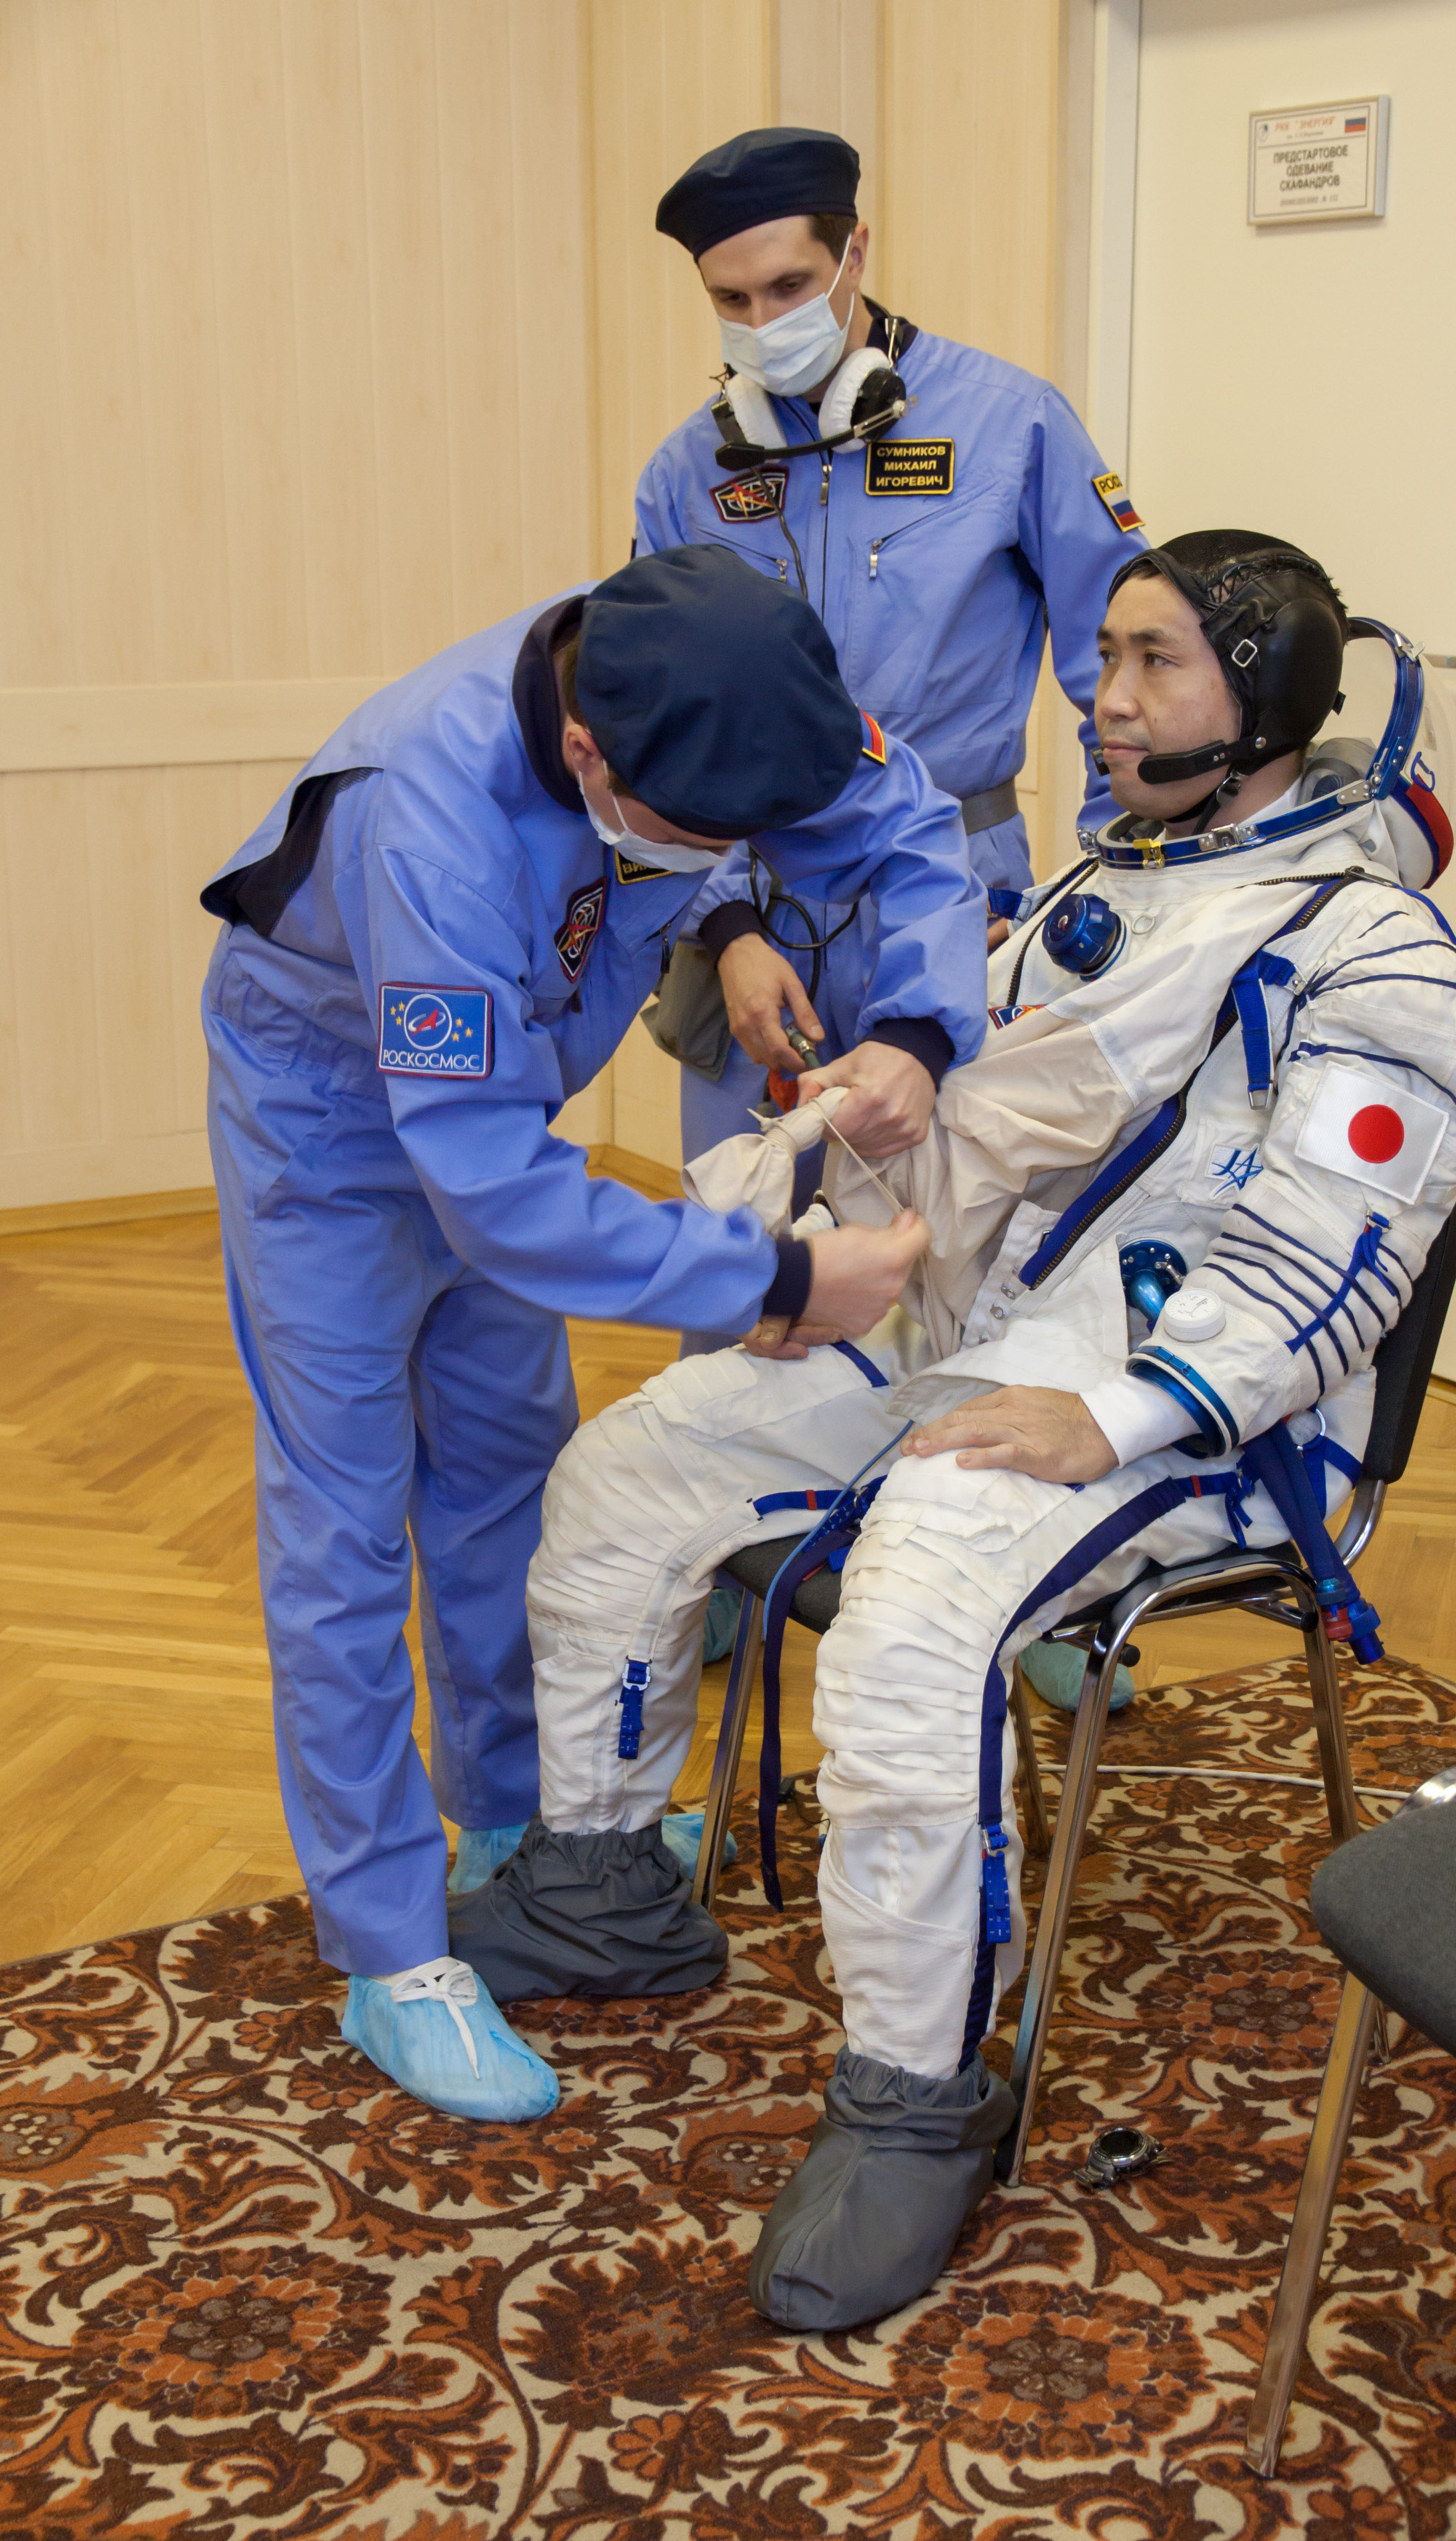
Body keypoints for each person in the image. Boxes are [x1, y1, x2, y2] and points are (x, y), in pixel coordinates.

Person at [449, 529, 1456, 2320]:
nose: (1102, 697)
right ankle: (607, 1879)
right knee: (630, 1473)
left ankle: (920, 2098)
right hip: (973, 1335)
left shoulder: (1377, 960)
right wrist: (885, 1107)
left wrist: (1117, 1411)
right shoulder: (1110, 892)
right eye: (1102, 655)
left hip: (1196, 1427)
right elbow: (1004, 1128)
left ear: (1266, 706)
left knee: (916, 1602)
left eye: (1156, 663)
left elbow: (1333, 1258)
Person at [199, 544, 980, 2123]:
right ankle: (388, 1948)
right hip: (330, 1121)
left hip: (507, 1109)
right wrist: (773, 1282)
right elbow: (484, 1188)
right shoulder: (432, 813)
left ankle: (511, 1825)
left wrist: (917, 1025)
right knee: (346, 1521)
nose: (730, 859)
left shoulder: (736, 671)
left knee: (503, 1472)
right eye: (708, 845)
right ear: (584, 757)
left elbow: (912, 833)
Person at [637, 125, 1149, 1351]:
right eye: (731, 300)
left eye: (791, 287)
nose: (764, 321)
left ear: (856, 250)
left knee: (958, 1280)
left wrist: (1092, 898)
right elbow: (657, 730)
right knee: (746, 1285)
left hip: (963, 906)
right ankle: (746, 1537)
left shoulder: (1012, 426)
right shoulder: (686, 475)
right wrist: (724, 924)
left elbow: (1123, 673)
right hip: (753, 938)